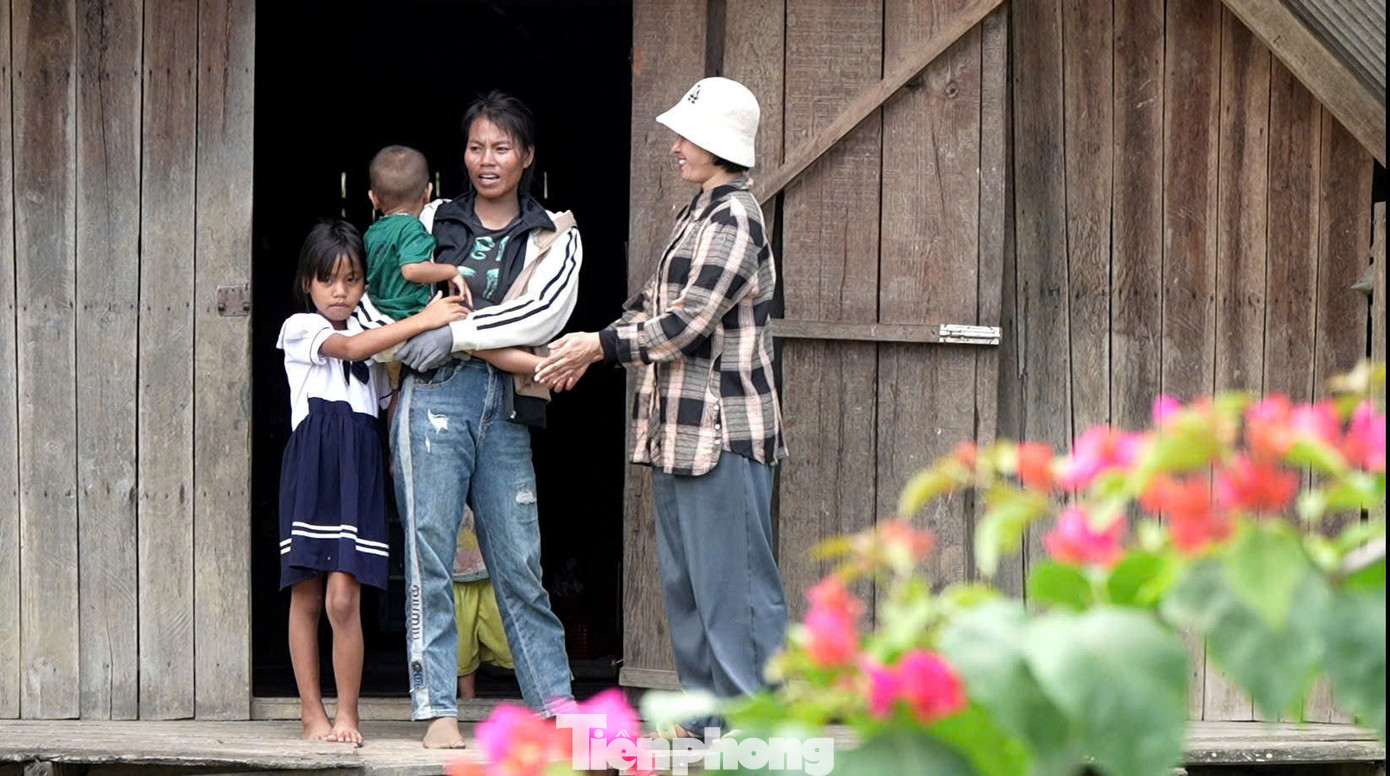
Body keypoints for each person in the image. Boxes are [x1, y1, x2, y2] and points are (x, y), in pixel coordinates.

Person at [536, 76, 789, 740]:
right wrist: (577, 342)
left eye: (685, 136)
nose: (674, 146)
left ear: (716, 144)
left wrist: (597, 348)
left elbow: (687, 324)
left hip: (723, 431)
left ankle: (750, 730)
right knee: (689, 586)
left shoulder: (736, 217)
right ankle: (708, 719)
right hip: (677, 433)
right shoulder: (696, 215)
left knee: (735, 587)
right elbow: (647, 308)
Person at [387, 90, 581, 748]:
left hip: (504, 405)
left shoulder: (556, 233)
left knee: (519, 560)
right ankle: (437, 705)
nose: (486, 160)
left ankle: (556, 702)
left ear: (526, 156)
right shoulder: (433, 216)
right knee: (430, 556)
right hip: (432, 398)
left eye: (501, 148)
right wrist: (450, 337)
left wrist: (455, 333)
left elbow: (547, 316)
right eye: (476, 147)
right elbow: (392, 285)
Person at [276, 220, 468, 745]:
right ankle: (311, 712)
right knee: (307, 593)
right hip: (314, 468)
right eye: (328, 280)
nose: (340, 292)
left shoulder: (378, 347)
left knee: (345, 598)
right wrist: (426, 317)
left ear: (365, 283)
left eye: (352, 280)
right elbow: (355, 348)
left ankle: (349, 715)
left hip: (359, 469)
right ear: (307, 284)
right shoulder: (302, 328)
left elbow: (387, 406)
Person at [357, 145, 539, 381]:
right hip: (406, 321)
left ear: (373, 198)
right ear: (428, 191)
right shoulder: (412, 229)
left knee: (395, 388)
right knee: (472, 341)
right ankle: (543, 366)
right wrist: (449, 270)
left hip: (380, 326)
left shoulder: (372, 232)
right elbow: (412, 270)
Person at [452, 506, 516, 701]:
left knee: (512, 641)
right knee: (462, 650)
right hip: (454, 581)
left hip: (492, 577)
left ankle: (542, 700)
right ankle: (467, 701)